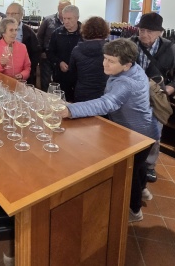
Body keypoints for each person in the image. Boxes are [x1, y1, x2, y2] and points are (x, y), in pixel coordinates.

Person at [61, 38, 158, 222]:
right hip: (145, 130)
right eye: (105, 58)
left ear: (127, 64)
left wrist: (70, 110)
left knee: (129, 173)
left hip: (137, 135)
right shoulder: (134, 69)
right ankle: (144, 191)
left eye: (111, 61)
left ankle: (135, 210)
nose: (104, 63)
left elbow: (107, 103)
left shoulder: (126, 83)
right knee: (138, 166)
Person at [131, 13, 175, 183]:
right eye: (142, 30)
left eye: (149, 31)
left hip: (156, 97)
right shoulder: (130, 44)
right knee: (130, 128)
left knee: (154, 131)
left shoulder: (170, 49)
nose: (144, 34)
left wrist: (173, 87)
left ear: (159, 32)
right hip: (133, 95)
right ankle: (131, 160)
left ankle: (149, 166)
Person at [68, 16, 110, 103]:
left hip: (82, 92)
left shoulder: (77, 49)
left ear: (85, 30)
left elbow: (72, 74)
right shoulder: (111, 50)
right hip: (105, 93)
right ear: (105, 30)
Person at [46, 5, 82, 101]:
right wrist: (59, 62)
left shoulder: (84, 34)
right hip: (61, 76)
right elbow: (50, 52)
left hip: (79, 77)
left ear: (77, 18)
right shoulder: (57, 33)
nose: (66, 21)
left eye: (69, 18)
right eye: (64, 18)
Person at [36, 0, 71, 91]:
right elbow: (39, 37)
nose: (63, 11)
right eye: (61, 8)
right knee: (46, 82)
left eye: (66, 8)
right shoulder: (48, 20)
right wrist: (41, 52)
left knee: (60, 82)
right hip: (47, 56)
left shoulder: (71, 22)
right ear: (58, 8)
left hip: (62, 58)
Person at [3, 3, 40, 85]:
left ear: (21, 15)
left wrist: (27, 69)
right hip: (4, 73)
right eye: (8, 13)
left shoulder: (28, 32)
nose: (10, 16)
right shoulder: (0, 31)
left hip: (23, 76)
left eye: (13, 14)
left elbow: (36, 53)